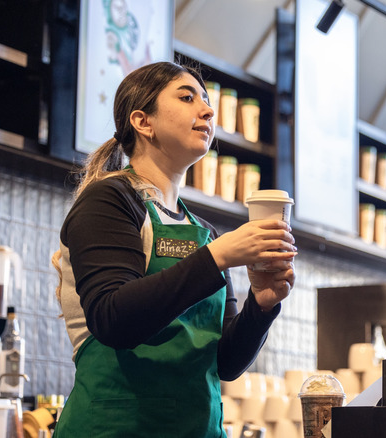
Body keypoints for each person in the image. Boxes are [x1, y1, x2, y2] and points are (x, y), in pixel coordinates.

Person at [51, 61, 296, 437]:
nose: (208, 110)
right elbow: (113, 318)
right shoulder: (109, 200)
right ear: (142, 122)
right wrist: (216, 259)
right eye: (187, 97)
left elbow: (225, 363)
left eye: (207, 101)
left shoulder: (205, 232)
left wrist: (261, 305)